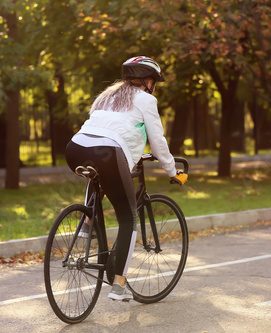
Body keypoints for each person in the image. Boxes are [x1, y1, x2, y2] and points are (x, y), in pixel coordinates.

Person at [65, 56, 186, 302]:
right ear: (147, 80)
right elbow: (158, 140)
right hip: (109, 152)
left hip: (75, 147)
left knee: (98, 172)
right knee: (128, 217)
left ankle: (89, 221)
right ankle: (119, 285)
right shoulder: (146, 99)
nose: (155, 86)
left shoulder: (106, 96)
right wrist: (173, 171)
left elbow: (110, 128)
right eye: (155, 81)